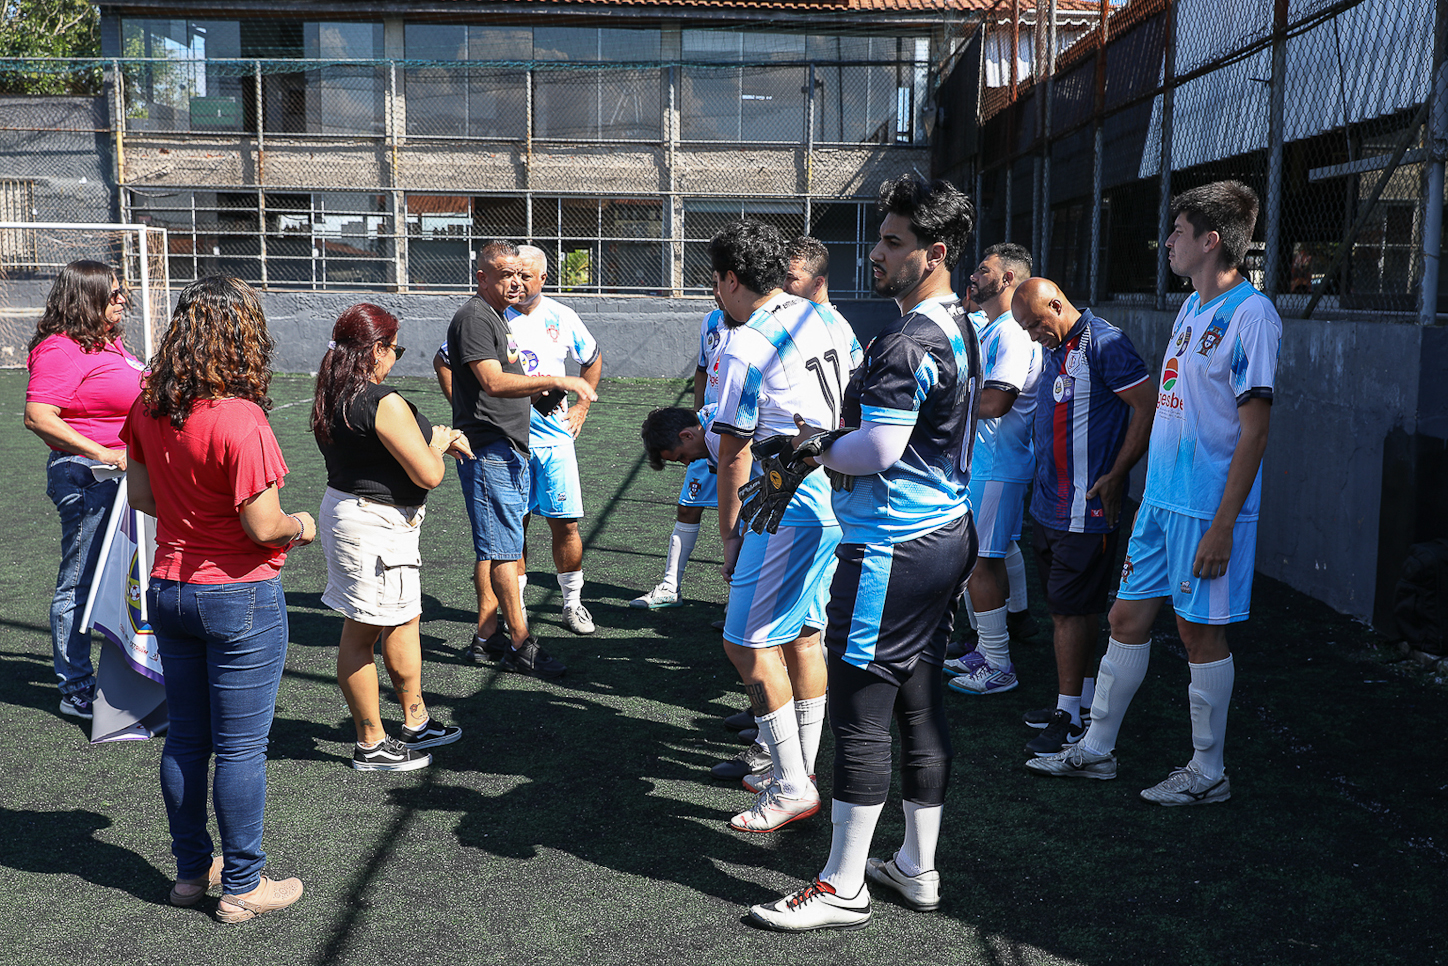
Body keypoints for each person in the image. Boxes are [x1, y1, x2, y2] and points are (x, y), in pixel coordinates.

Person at [746, 174, 981, 932]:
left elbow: (877, 448)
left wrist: (811, 447)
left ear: (934, 252)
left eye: (893, 242)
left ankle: (843, 885)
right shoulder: (960, 323)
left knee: (861, 711)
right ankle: (917, 866)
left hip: (894, 545)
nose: (876, 253)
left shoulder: (907, 339)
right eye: (881, 237)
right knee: (918, 700)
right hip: (945, 530)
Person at [1028, 181, 1280, 805]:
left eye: (1177, 230)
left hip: (1204, 508)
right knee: (1124, 617)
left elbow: (1255, 430)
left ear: (1210, 240)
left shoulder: (1253, 316)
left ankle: (1208, 772)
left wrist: (1224, 524)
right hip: (1161, 503)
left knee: (1199, 635)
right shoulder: (1191, 310)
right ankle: (1097, 751)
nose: (1166, 241)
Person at [122, 275, 313, 922]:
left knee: (184, 742)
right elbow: (264, 526)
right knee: (238, 750)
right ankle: (243, 885)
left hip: (169, 589)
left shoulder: (148, 404)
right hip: (239, 596)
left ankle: (187, 875)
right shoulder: (242, 419)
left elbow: (143, 500)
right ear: (243, 336)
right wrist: (302, 527)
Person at [708, 220, 859, 834]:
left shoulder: (742, 343)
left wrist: (730, 531)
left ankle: (792, 782)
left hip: (785, 500)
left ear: (731, 279)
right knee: (804, 635)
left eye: (716, 282)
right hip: (837, 491)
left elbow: (734, 450)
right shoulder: (825, 316)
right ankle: (795, 769)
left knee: (744, 641)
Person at [312, 303, 471, 772]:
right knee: (362, 633)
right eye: (395, 350)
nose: (396, 358)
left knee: (404, 619)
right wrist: (439, 442)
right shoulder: (380, 400)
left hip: (363, 517)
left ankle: (415, 720)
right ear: (377, 349)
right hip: (374, 525)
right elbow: (429, 474)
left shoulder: (333, 391)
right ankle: (371, 744)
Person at [1010, 277, 1154, 757]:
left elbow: (1146, 403)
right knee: (1065, 610)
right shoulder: (1057, 346)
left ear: (1057, 303)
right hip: (1050, 506)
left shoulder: (1104, 341)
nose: (1033, 335)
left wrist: (1117, 474)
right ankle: (1080, 701)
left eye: (1035, 324)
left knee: (1072, 613)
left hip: (1085, 508)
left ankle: (1069, 718)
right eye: (1025, 329)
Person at [448, 240, 596, 679]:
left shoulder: (496, 316)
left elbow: (503, 377)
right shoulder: (476, 317)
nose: (513, 282)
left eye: (519, 274)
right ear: (481, 277)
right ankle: (520, 643)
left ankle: (488, 637)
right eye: (502, 274)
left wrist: (538, 389)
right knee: (504, 550)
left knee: (506, 544)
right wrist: (556, 378)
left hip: (510, 446)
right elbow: (491, 382)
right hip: (491, 448)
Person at [24, 261, 145, 721]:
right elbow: (39, 417)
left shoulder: (109, 344)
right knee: (80, 582)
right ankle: (74, 685)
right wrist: (104, 453)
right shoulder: (59, 350)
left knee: (122, 579)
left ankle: (132, 673)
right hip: (88, 477)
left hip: (123, 477)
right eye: (113, 294)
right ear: (87, 297)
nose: (122, 300)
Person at [944, 243, 1041, 696]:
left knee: (979, 563)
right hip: (986, 464)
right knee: (988, 558)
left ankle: (999, 664)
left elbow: (998, 400)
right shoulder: (995, 327)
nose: (974, 277)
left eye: (984, 271)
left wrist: (938, 405)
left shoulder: (1013, 334)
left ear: (1007, 280)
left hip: (999, 463)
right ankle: (988, 648)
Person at [505, 246, 604, 635]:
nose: (516, 282)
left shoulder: (563, 317)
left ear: (543, 278)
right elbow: (445, 361)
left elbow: (592, 358)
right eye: (512, 274)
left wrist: (582, 406)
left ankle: (572, 604)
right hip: (509, 442)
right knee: (516, 526)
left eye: (525, 275)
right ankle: (518, 609)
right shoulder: (492, 317)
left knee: (566, 525)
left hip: (555, 440)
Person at [630, 305, 727, 612]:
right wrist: (697, 423)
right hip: (707, 432)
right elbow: (702, 370)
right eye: (713, 284)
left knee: (750, 515)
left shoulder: (765, 321)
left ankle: (744, 598)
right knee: (688, 507)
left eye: (722, 283)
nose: (718, 292)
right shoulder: (711, 322)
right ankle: (671, 586)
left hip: (735, 435)